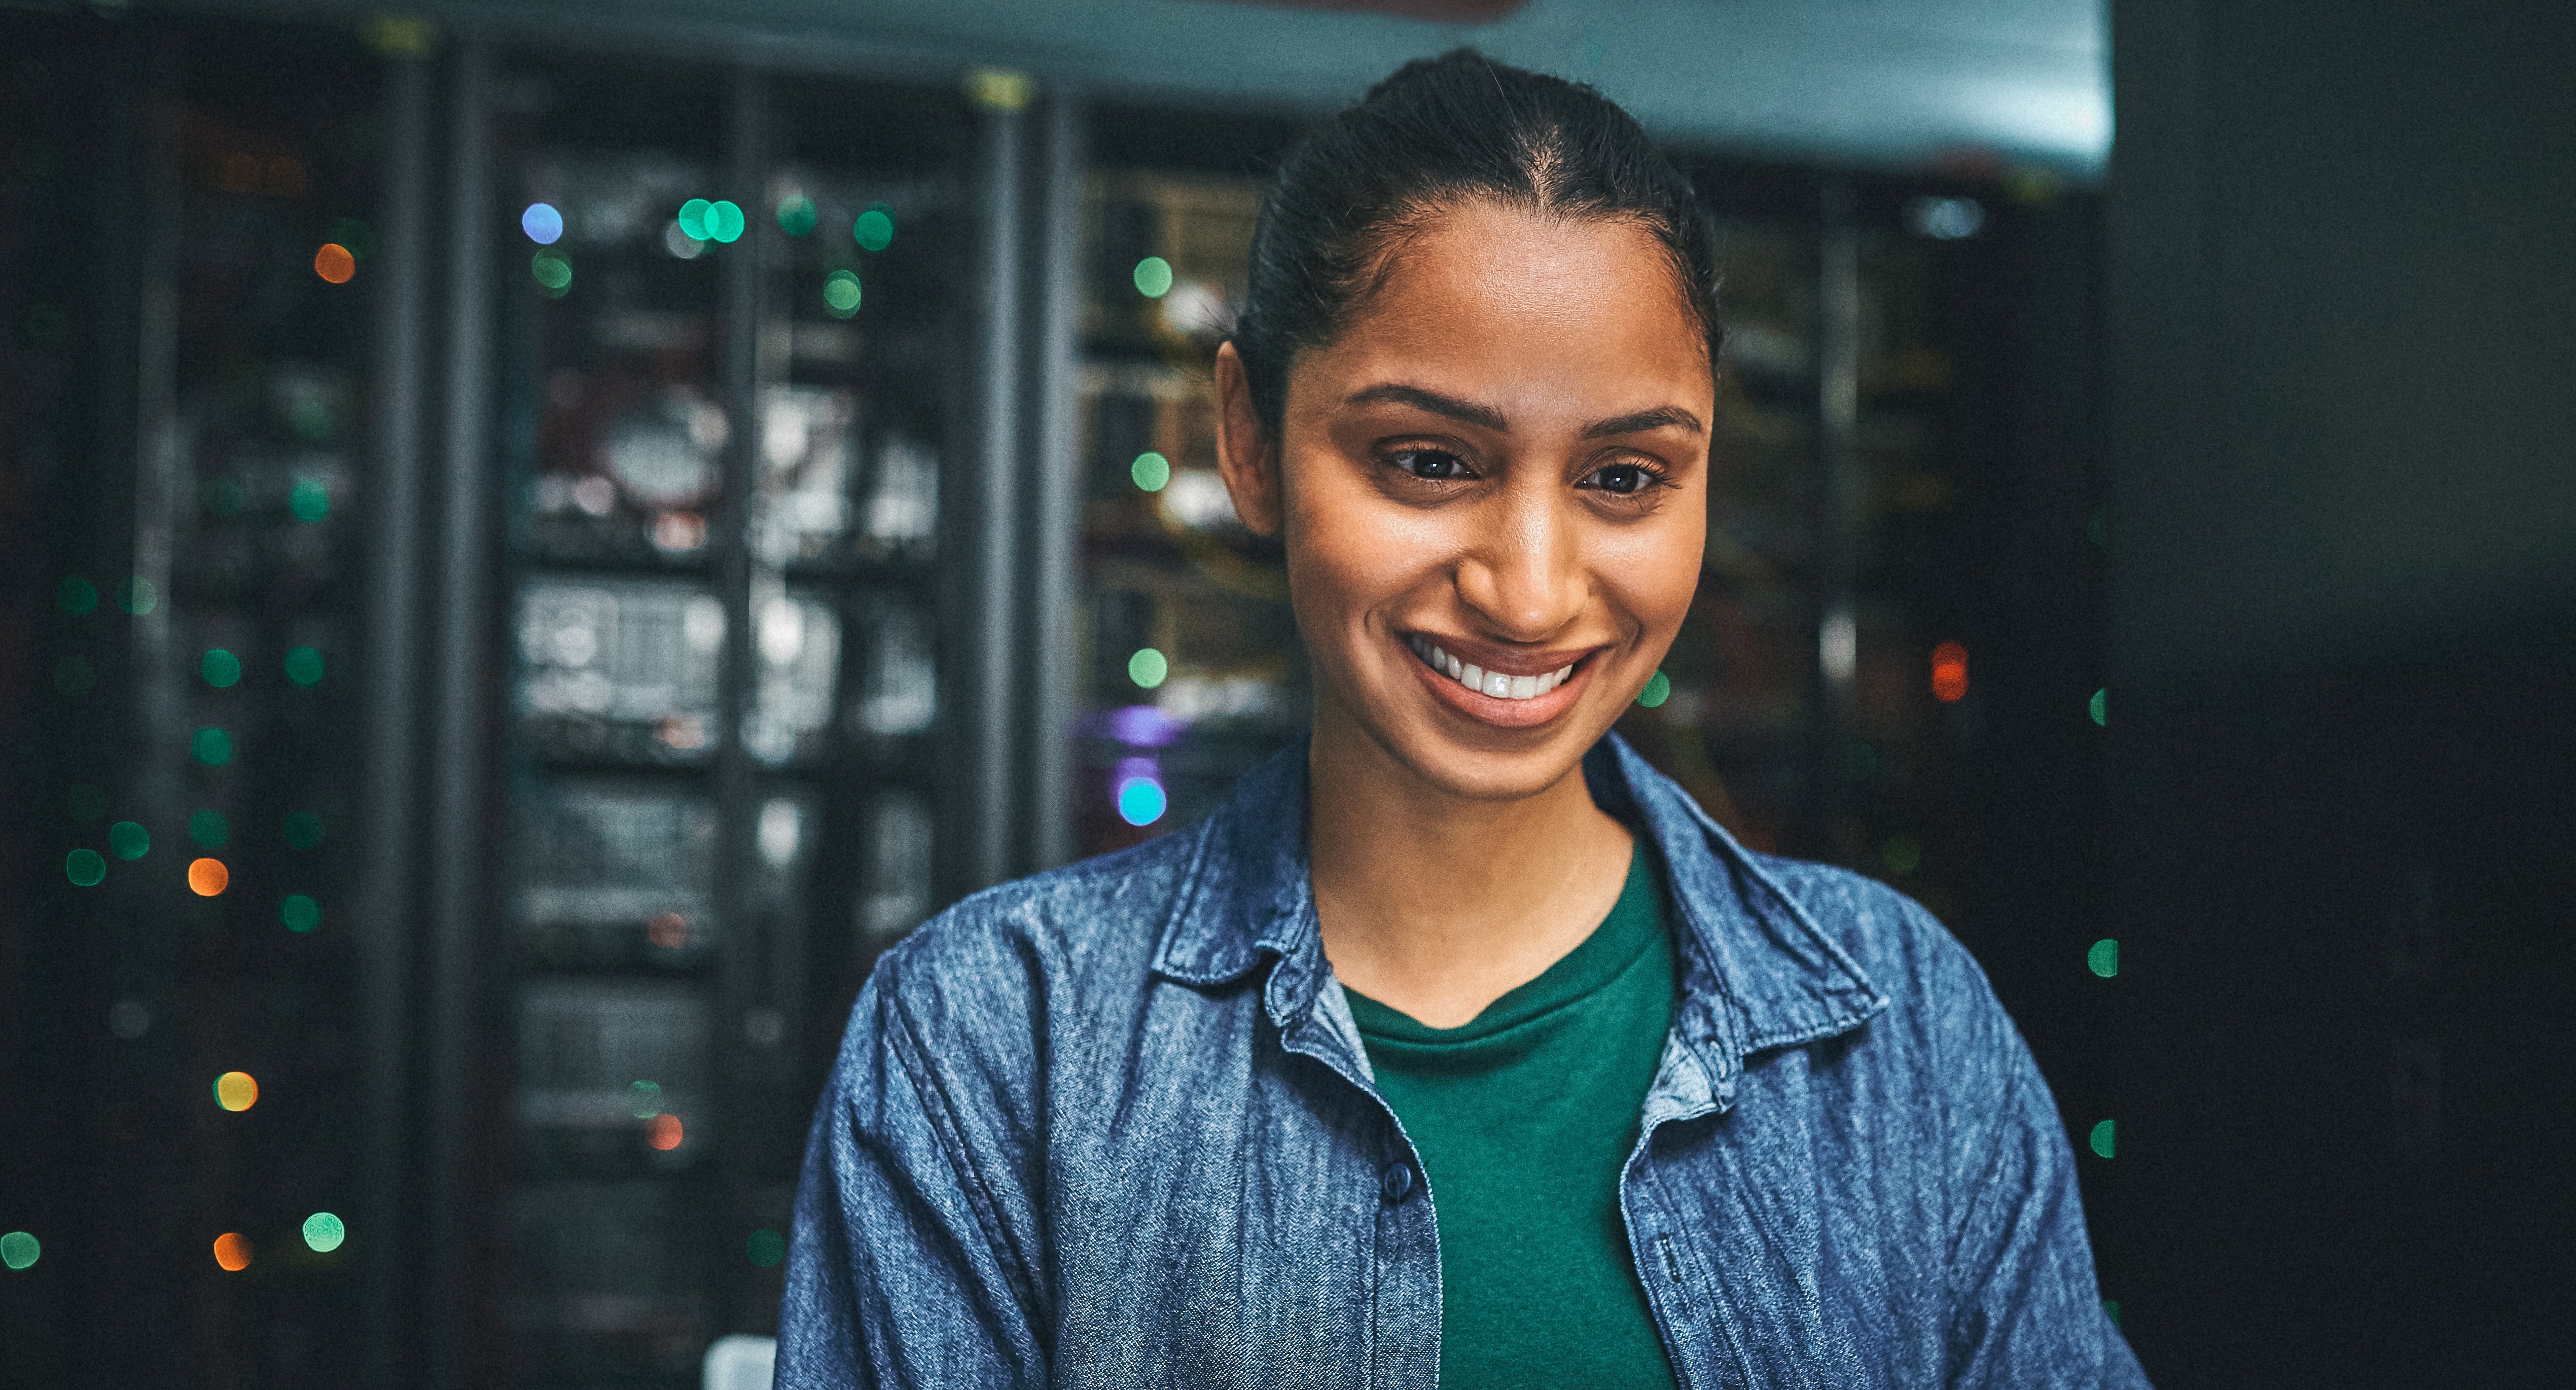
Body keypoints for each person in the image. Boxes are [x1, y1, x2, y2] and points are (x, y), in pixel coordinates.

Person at [779, 49, 2148, 1389]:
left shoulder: (1898, 1028)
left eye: (1625, 476)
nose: (1531, 590)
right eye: (1429, 461)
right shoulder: (993, 1045)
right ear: (1248, 440)